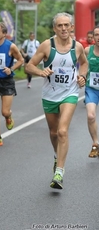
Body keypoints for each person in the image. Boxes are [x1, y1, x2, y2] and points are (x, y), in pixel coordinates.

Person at [26, 12, 88, 189]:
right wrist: (40, 72)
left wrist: (82, 76)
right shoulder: (47, 46)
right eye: (59, 25)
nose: (63, 28)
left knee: (62, 131)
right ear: (54, 28)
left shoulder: (77, 47)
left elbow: (84, 64)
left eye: (66, 25)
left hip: (70, 92)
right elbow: (29, 66)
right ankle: (56, 155)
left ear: (71, 27)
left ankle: (59, 172)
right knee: (53, 133)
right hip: (50, 95)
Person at [83, 26, 99, 157]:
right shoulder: (88, 51)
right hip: (92, 89)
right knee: (91, 116)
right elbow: (80, 65)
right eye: (97, 35)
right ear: (93, 37)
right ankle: (95, 144)